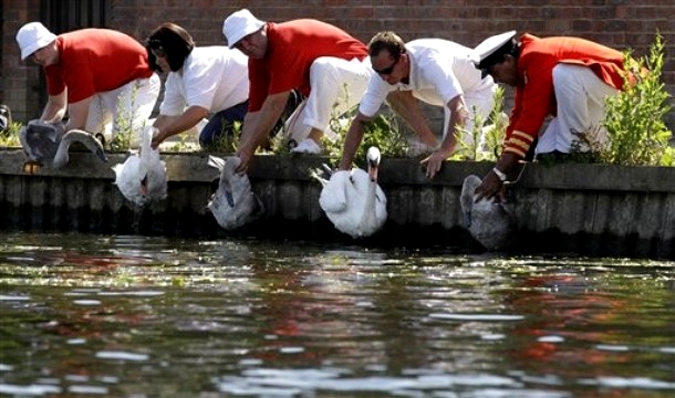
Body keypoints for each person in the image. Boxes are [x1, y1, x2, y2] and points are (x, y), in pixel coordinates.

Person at [472, 31, 629, 200]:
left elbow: (531, 119)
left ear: (507, 60)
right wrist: (505, 172)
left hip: (625, 86)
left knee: (565, 73)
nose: (497, 80)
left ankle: (576, 151)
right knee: (545, 152)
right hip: (601, 98)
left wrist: (498, 173)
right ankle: (585, 151)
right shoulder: (525, 72)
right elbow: (519, 118)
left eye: (495, 73)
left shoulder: (536, 56)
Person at [222, 9, 373, 173]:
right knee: (289, 144)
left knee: (322, 66)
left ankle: (315, 139)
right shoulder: (256, 61)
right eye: (239, 45)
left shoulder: (282, 40)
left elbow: (275, 104)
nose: (246, 46)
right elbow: (254, 111)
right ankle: (347, 131)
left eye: (247, 38)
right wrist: (241, 154)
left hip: (362, 71)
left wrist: (250, 149)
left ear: (261, 28)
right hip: (329, 91)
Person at [338, 31, 498, 178]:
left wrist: (444, 151)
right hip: (441, 90)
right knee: (392, 92)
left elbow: (459, 109)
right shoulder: (382, 75)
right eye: (377, 72)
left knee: (459, 153)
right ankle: (432, 142)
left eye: (387, 71)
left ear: (402, 58)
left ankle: (493, 132)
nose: (383, 78)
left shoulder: (430, 63)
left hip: (478, 88)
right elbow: (360, 121)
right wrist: (342, 171)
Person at [15, 22, 160, 147]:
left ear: (52, 41)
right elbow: (56, 104)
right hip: (105, 88)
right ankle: (114, 131)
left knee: (126, 138)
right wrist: (40, 133)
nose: (38, 57)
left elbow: (77, 125)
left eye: (39, 49)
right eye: (32, 54)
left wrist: (54, 137)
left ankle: (163, 125)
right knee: (88, 135)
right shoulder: (50, 61)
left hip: (138, 80)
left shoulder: (75, 58)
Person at [146, 23, 250, 149]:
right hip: (239, 104)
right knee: (211, 136)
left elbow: (199, 111)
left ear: (174, 49)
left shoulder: (198, 65)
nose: (157, 61)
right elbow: (168, 116)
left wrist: (166, 133)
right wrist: (147, 142)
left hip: (257, 100)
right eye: (154, 56)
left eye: (161, 54)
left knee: (211, 139)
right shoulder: (176, 76)